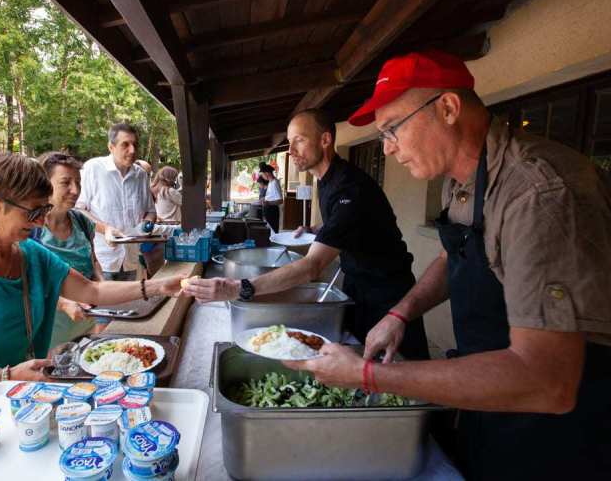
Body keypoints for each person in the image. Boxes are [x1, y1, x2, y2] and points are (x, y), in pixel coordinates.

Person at [285, 50, 611, 481]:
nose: (387, 148)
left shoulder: (542, 196)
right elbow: (455, 254)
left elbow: (549, 382)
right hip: (496, 389)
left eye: (393, 129)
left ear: (448, 108)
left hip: (574, 418)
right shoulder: (460, 182)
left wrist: (368, 374)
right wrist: (402, 311)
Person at [0, 152, 184, 437]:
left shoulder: (30, 254)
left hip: (21, 411)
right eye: (34, 212)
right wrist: (3, 376)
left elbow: (92, 290)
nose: (42, 222)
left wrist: (159, 286)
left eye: (44, 210)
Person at [184, 109, 429, 358]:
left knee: (406, 376)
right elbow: (347, 222)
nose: (291, 150)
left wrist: (239, 288)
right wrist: (315, 230)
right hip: (356, 286)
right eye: (289, 143)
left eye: (299, 140)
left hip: (389, 297)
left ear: (325, 140)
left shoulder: (351, 187)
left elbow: (312, 267)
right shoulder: (326, 180)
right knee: (362, 367)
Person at [33, 152, 102, 347]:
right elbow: (27, 284)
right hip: (47, 332)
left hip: (85, 324)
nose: (75, 190)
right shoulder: (31, 230)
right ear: (44, 184)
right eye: (66, 182)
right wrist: (63, 304)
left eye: (78, 182)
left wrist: (102, 285)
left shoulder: (82, 222)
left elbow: (93, 262)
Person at [77, 123, 156, 281]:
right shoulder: (92, 169)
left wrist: (147, 223)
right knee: (104, 305)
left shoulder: (140, 175)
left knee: (134, 305)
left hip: (132, 258)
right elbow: (78, 210)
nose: (132, 150)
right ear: (111, 147)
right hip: (102, 259)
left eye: (135, 145)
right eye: (125, 144)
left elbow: (151, 211)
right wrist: (105, 228)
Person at [259, 162, 283, 232]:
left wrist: (268, 202)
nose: (262, 176)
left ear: (267, 173)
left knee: (273, 231)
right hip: (268, 209)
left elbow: (280, 201)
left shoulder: (275, 183)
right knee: (268, 231)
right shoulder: (270, 182)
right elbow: (271, 196)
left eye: (262, 174)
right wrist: (264, 199)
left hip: (272, 210)